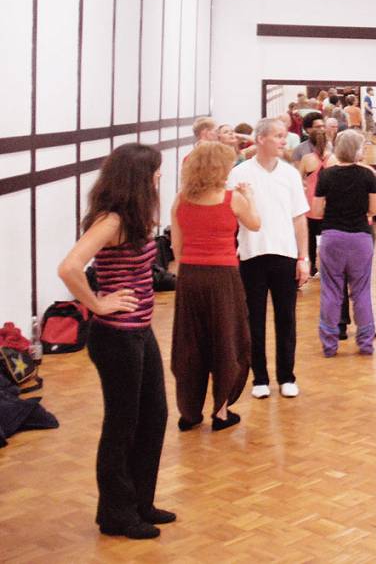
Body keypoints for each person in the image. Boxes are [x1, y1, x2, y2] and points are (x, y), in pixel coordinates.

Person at [56, 144, 173, 540]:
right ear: (139, 176)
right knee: (122, 424)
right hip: (116, 338)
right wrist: (97, 304)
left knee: (154, 416)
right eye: (155, 170)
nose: (159, 176)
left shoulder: (133, 215)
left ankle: (140, 502)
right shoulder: (111, 220)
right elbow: (69, 267)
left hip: (140, 331)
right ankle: (116, 514)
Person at [170, 142, 259, 432]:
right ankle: (221, 411)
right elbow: (255, 224)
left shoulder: (180, 200)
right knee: (227, 340)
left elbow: (177, 247)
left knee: (189, 343)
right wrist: (250, 197)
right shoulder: (232, 199)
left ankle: (189, 412)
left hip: (190, 276)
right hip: (223, 277)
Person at [227, 118, 310, 400]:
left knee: (286, 318)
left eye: (284, 136)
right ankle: (259, 378)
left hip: (284, 255)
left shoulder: (290, 174)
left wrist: (303, 257)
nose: (283, 141)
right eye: (277, 136)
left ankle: (287, 376)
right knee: (254, 320)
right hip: (251, 255)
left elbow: (299, 218)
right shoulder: (239, 174)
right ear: (261, 139)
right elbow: (230, 218)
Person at [313, 130, 376, 357]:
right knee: (361, 291)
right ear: (357, 149)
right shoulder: (367, 175)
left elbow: (316, 211)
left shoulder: (326, 175)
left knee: (331, 291)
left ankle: (329, 344)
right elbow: (374, 209)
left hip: (332, 236)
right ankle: (365, 342)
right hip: (360, 237)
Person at [297, 126, 333, 278]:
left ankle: (312, 267)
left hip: (311, 202)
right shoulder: (334, 159)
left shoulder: (307, 159)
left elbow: (299, 179)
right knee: (329, 235)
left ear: (310, 143)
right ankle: (328, 266)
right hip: (329, 202)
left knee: (311, 236)